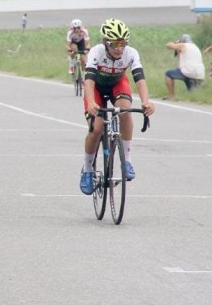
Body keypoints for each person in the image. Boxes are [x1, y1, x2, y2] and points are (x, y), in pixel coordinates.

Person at [78, 19, 155, 195]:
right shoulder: (96, 52)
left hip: (117, 84)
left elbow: (140, 79)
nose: (120, 48)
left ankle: (126, 160)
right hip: (96, 87)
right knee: (96, 128)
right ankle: (88, 169)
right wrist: (91, 102)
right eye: (115, 44)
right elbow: (88, 80)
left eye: (123, 43)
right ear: (106, 42)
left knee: (125, 111)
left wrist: (146, 102)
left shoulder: (131, 53)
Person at [164, 34, 205, 99]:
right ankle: (196, 97)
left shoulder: (183, 45)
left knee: (168, 73)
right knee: (192, 92)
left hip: (188, 72)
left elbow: (168, 45)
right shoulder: (195, 47)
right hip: (200, 74)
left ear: (182, 41)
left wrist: (176, 43)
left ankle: (171, 95)